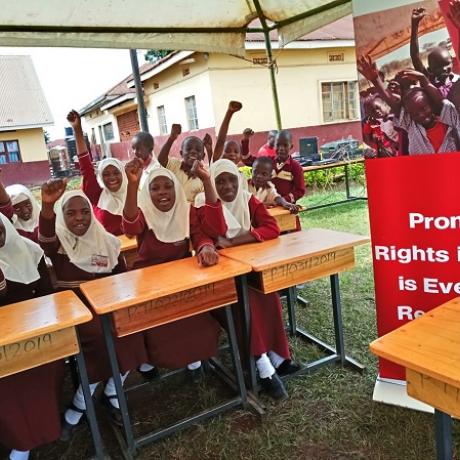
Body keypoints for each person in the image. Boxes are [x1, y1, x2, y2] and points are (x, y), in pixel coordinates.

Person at [38, 180, 147, 439]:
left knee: (131, 328)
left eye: (85, 212)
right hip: (76, 310)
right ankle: (81, 405)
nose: (79, 218)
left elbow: (121, 278)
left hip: (106, 305)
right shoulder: (59, 244)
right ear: (63, 217)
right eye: (71, 213)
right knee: (101, 338)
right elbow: (46, 239)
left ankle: (107, 392)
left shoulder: (107, 242)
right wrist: (47, 206)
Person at [195, 159, 300, 400]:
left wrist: (235, 241)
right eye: (219, 181)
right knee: (245, 306)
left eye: (232, 179)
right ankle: (264, 368)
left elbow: (271, 227)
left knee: (268, 296)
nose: (227, 186)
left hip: (247, 267)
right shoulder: (202, 203)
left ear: (239, 179)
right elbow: (201, 234)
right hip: (219, 276)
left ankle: (277, 357)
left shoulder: (247, 198)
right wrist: (206, 246)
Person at [122, 157, 221, 381]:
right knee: (160, 327)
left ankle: (195, 363)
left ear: (177, 189)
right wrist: (132, 185)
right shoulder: (144, 211)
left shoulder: (186, 211)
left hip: (181, 276)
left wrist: (205, 247)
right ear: (147, 194)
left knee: (198, 320)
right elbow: (130, 226)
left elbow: (199, 235)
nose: (162, 192)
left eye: (168, 186)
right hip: (149, 281)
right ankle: (152, 362)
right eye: (155, 188)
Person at [0, 214, 62, 460]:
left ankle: (42, 430)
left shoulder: (29, 251)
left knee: (41, 373)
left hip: (34, 332)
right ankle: (19, 442)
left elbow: (48, 295)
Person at [358, 56, 460, 154]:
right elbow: (393, 104)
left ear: (431, 105)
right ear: (409, 115)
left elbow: (441, 102)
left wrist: (424, 80)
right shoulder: (412, 126)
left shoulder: (449, 121)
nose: (421, 114)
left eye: (424, 108)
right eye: (415, 113)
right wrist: (375, 80)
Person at [67, 110, 127, 235]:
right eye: (106, 174)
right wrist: (78, 130)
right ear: (100, 177)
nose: (112, 177)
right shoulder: (97, 195)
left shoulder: (134, 194)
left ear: (123, 174)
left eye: (116, 173)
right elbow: (86, 167)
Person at [410, 7, 459, 98]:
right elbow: (415, 58)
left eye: (446, 64)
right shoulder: (430, 83)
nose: (444, 69)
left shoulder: (457, 81)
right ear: (430, 70)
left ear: (452, 61)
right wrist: (414, 25)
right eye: (437, 67)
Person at [157, 124, 206, 202]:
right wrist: (171, 138)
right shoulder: (175, 165)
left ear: (203, 156)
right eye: (188, 149)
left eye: (198, 150)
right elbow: (161, 161)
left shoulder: (204, 175)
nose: (193, 152)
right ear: (181, 153)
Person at [271, 130, 306, 206]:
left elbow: (300, 191)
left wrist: (284, 200)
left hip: (287, 207)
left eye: (285, 145)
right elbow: (249, 161)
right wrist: (246, 140)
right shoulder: (268, 163)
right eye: (278, 145)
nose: (281, 148)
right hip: (269, 206)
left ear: (291, 147)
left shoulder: (295, 167)